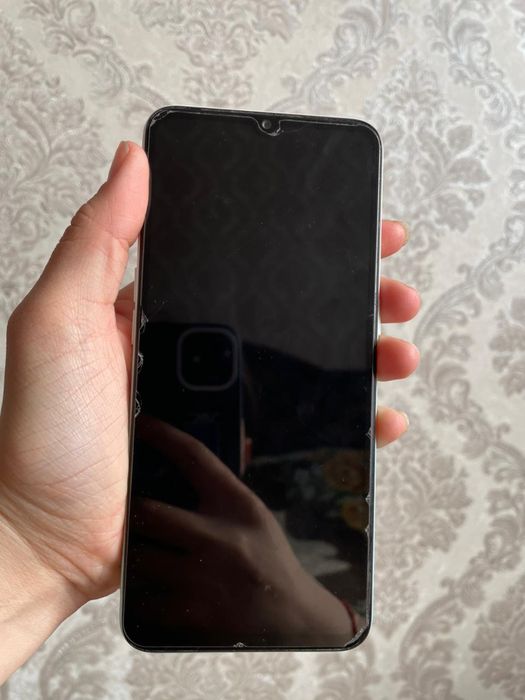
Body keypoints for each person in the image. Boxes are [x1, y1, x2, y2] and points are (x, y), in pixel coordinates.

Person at [0, 141, 420, 681]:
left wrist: (34, 549)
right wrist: (34, 542)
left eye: (225, 414)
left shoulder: (305, 538)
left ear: (249, 445)